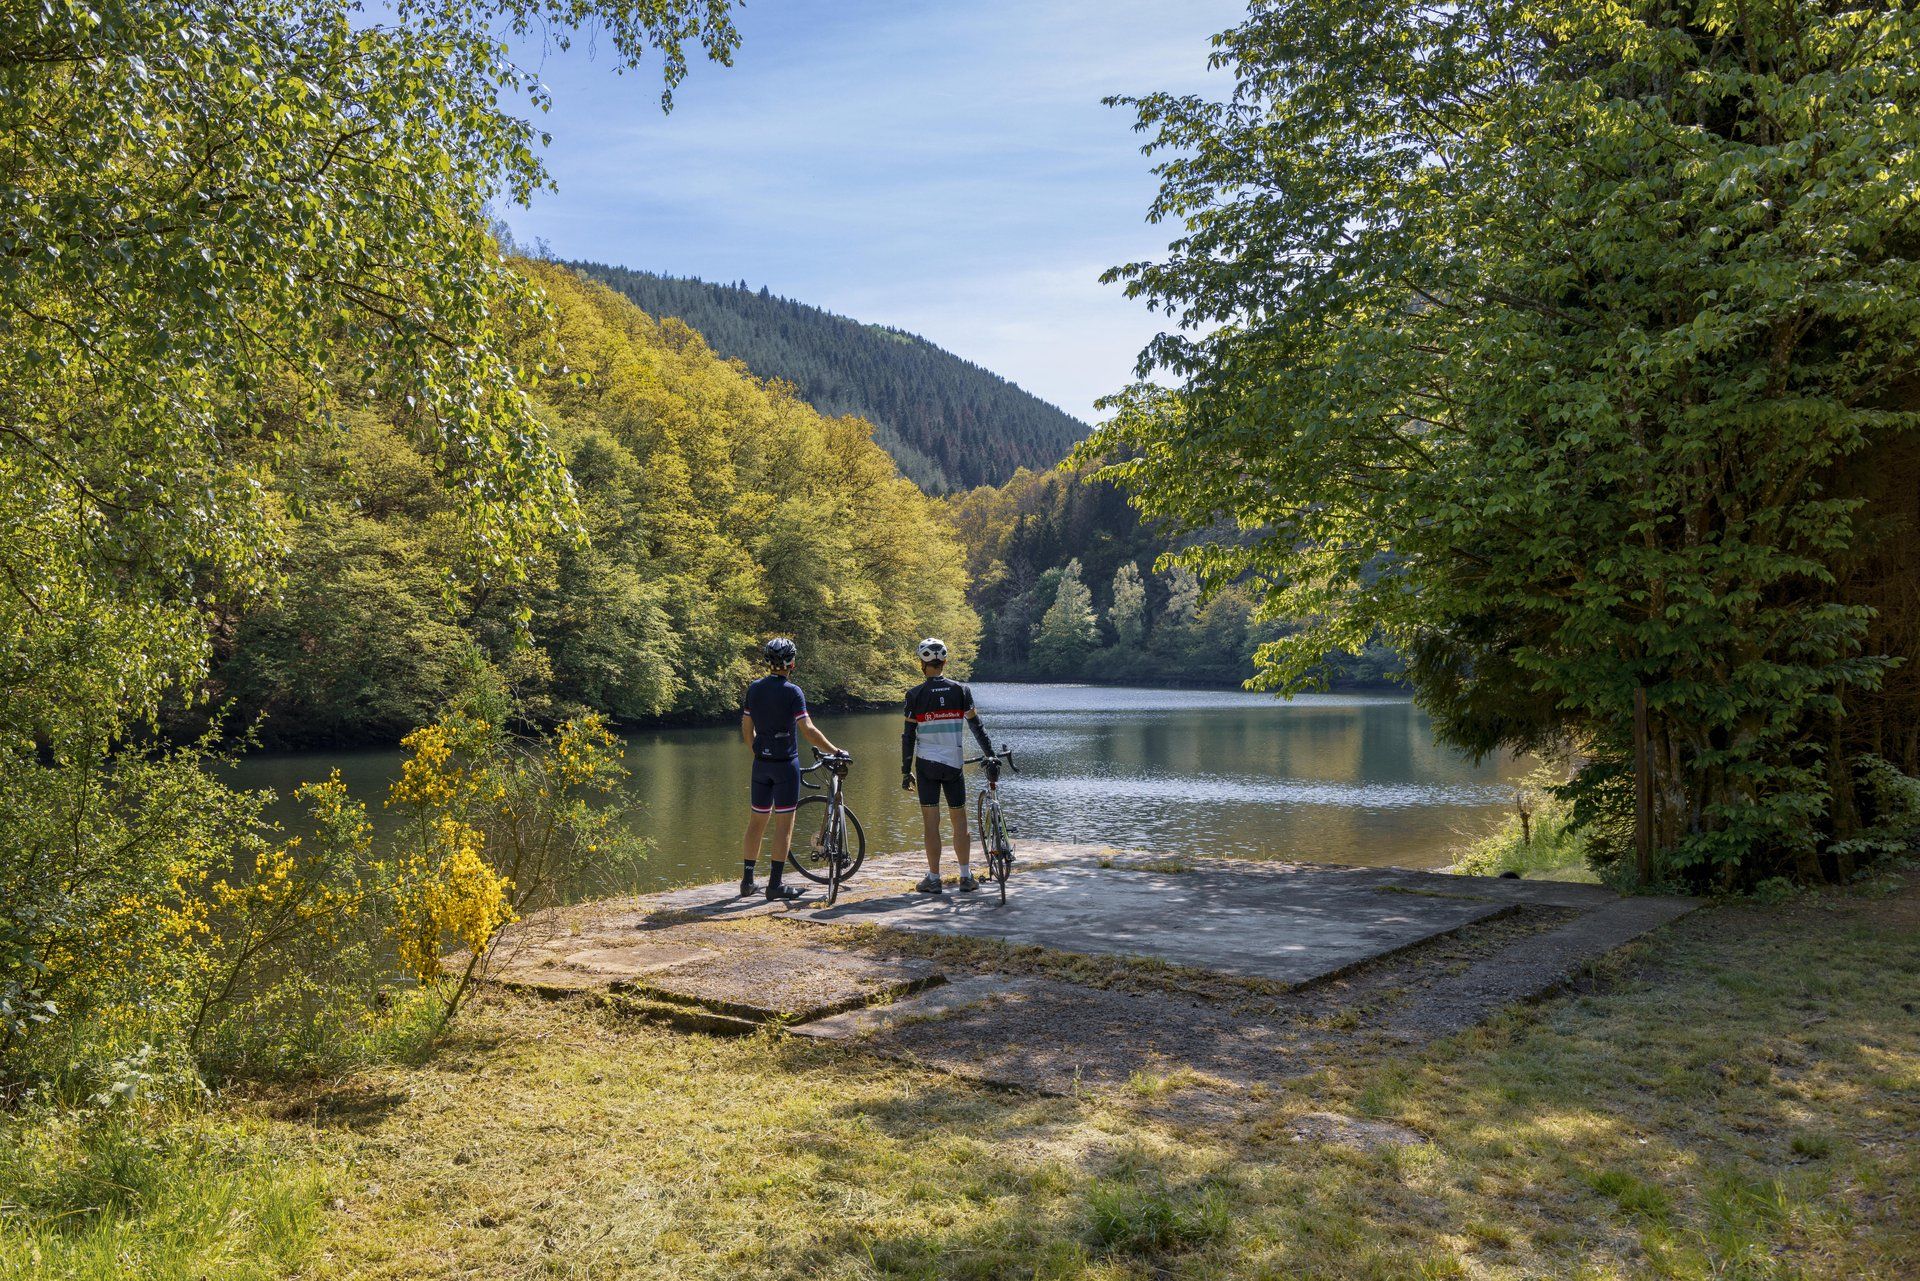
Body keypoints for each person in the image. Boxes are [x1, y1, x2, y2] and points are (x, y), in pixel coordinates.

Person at [741, 636, 842, 900]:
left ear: (767, 661)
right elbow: (807, 730)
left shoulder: (754, 689)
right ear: (792, 663)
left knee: (756, 822)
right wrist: (835, 751)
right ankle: (775, 885)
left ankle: (748, 881)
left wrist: (756, 751)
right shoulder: (793, 692)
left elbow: (746, 728)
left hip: (760, 765)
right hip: (786, 765)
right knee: (783, 826)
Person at [900, 637, 994, 893]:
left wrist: (905, 770)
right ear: (945, 662)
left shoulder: (914, 695)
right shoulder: (961, 691)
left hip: (927, 765)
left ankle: (933, 878)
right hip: (954, 764)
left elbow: (908, 737)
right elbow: (977, 727)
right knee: (959, 820)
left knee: (931, 822)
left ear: (922, 663)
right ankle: (965, 876)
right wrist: (990, 753)